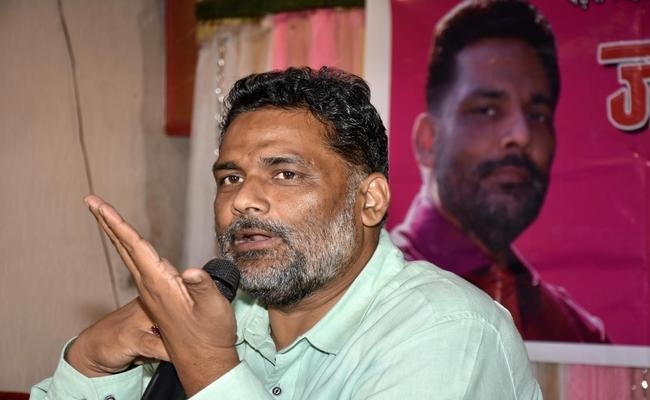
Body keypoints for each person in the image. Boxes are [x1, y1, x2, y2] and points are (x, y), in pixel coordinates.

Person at [31, 67, 542, 399]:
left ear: (369, 200)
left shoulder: (447, 331)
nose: (242, 200)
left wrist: (208, 364)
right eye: (230, 178)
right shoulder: (219, 314)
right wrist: (90, 359)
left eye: (285, 173)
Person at [390, 0, 608, 343]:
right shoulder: (367, 297)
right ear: (428, 141)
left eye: (537, 115)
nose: (521, 135)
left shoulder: (578, 335)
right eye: (488, 110)